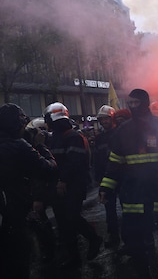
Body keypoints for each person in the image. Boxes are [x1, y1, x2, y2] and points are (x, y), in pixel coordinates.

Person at [99, 89, 158, 278]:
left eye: (135, 103)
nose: (132, 106)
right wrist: (106, 186)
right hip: (134, 194)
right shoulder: (123, 131)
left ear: (145, 103)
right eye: (129, 103)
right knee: (136, 241)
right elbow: (114, 162)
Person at [0, 103, 57, 279]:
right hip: (14, 214)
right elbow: (50, 169)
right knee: (18, 263)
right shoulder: (19, 146)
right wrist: (40, 146)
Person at [44, 102, 103, 269]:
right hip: (59, 185)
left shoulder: (73, 137)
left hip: (74, 185)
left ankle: (94, 238)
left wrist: (63, 180)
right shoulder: (56, 137)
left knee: (71, 217)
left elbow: (74, 163)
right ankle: (73, 256)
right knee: (63, 222)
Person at [93, 105, 121, 248]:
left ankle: (130, 238)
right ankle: (113, 235)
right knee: (109, 209)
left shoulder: (121, 134)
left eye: (106, 118)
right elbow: (97, 160)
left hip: (122, 176)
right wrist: (99, 178)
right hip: (107, 178)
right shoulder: (100, 139)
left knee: (127, 207)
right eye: (101, 119)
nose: (104, 122)